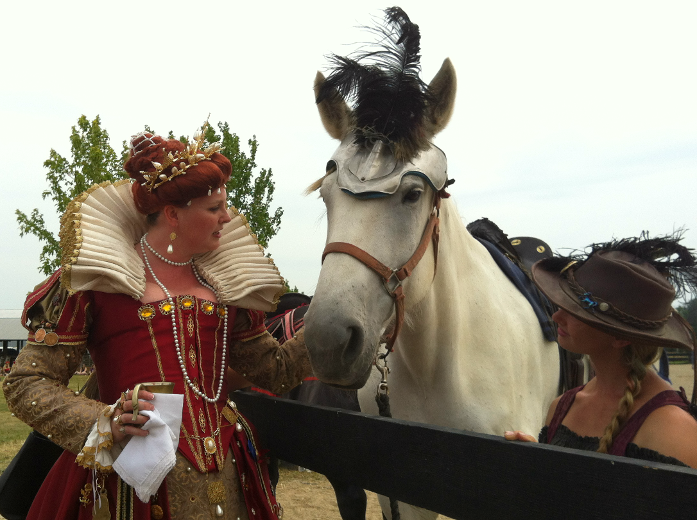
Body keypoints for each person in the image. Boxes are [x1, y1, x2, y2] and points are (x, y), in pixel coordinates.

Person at [3, 122, 312, 519]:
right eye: (214, 209)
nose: (226, 219)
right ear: (173, 214)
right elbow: (26, 381)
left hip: (226, 476)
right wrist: (104, 422)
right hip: (125, 485)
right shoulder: (97, 278)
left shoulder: (227, 287)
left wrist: (326, 324)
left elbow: (275, 371)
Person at [504, 235, 697, 468]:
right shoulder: (562, 406)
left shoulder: (674, 430)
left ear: (619, 336)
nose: (557, 316)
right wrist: (536, 465)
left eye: (575, 311)